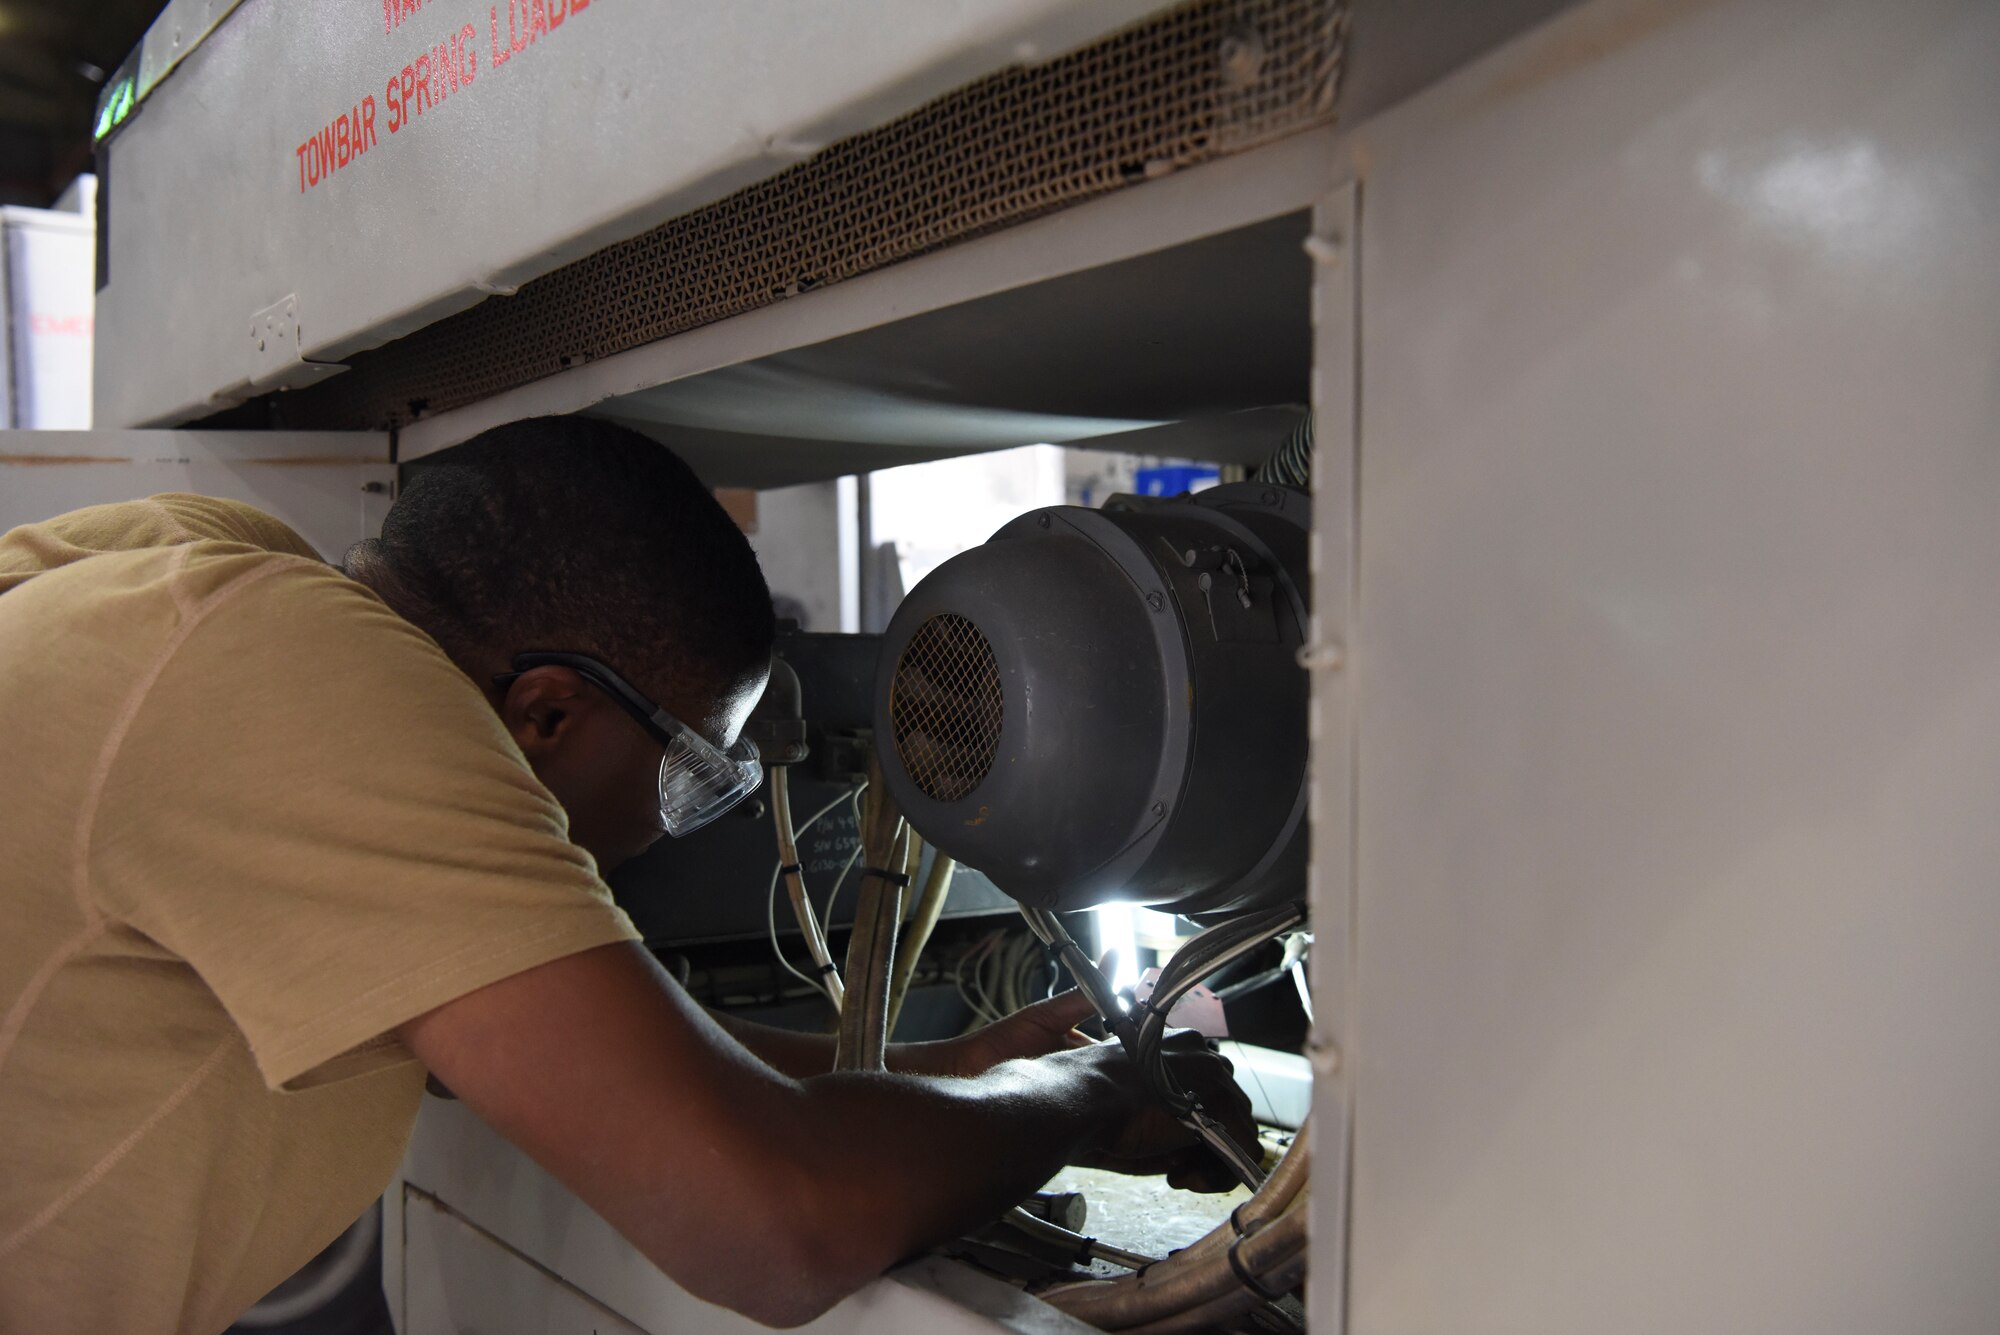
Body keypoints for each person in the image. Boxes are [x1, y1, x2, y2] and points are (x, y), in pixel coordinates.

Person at [0, 416, 1253, 1333]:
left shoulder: (183, 579)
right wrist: (1089, 1091)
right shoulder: (310, 678)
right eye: (690, 776)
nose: (670, 829)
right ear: (548, 713)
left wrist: (956, 1070)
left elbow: (589, 1051)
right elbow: (775, 1224)